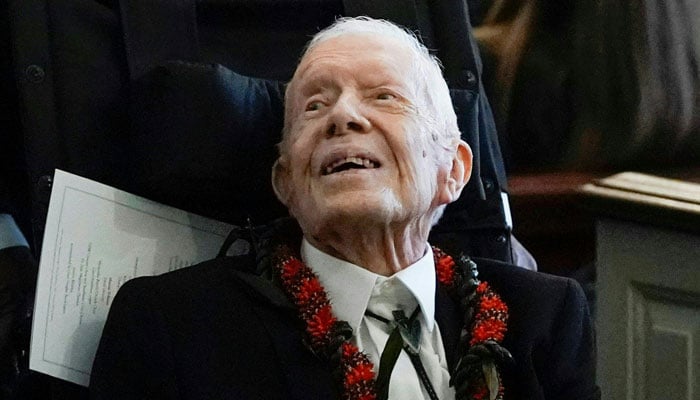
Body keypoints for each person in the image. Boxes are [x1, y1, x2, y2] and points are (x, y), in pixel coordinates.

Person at [90, 17, 599, 400]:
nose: (343, 117)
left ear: (454, 171)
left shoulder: (545, 318)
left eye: (383, 97)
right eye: (314, 106)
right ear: (285, 181)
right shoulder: (175, 326)